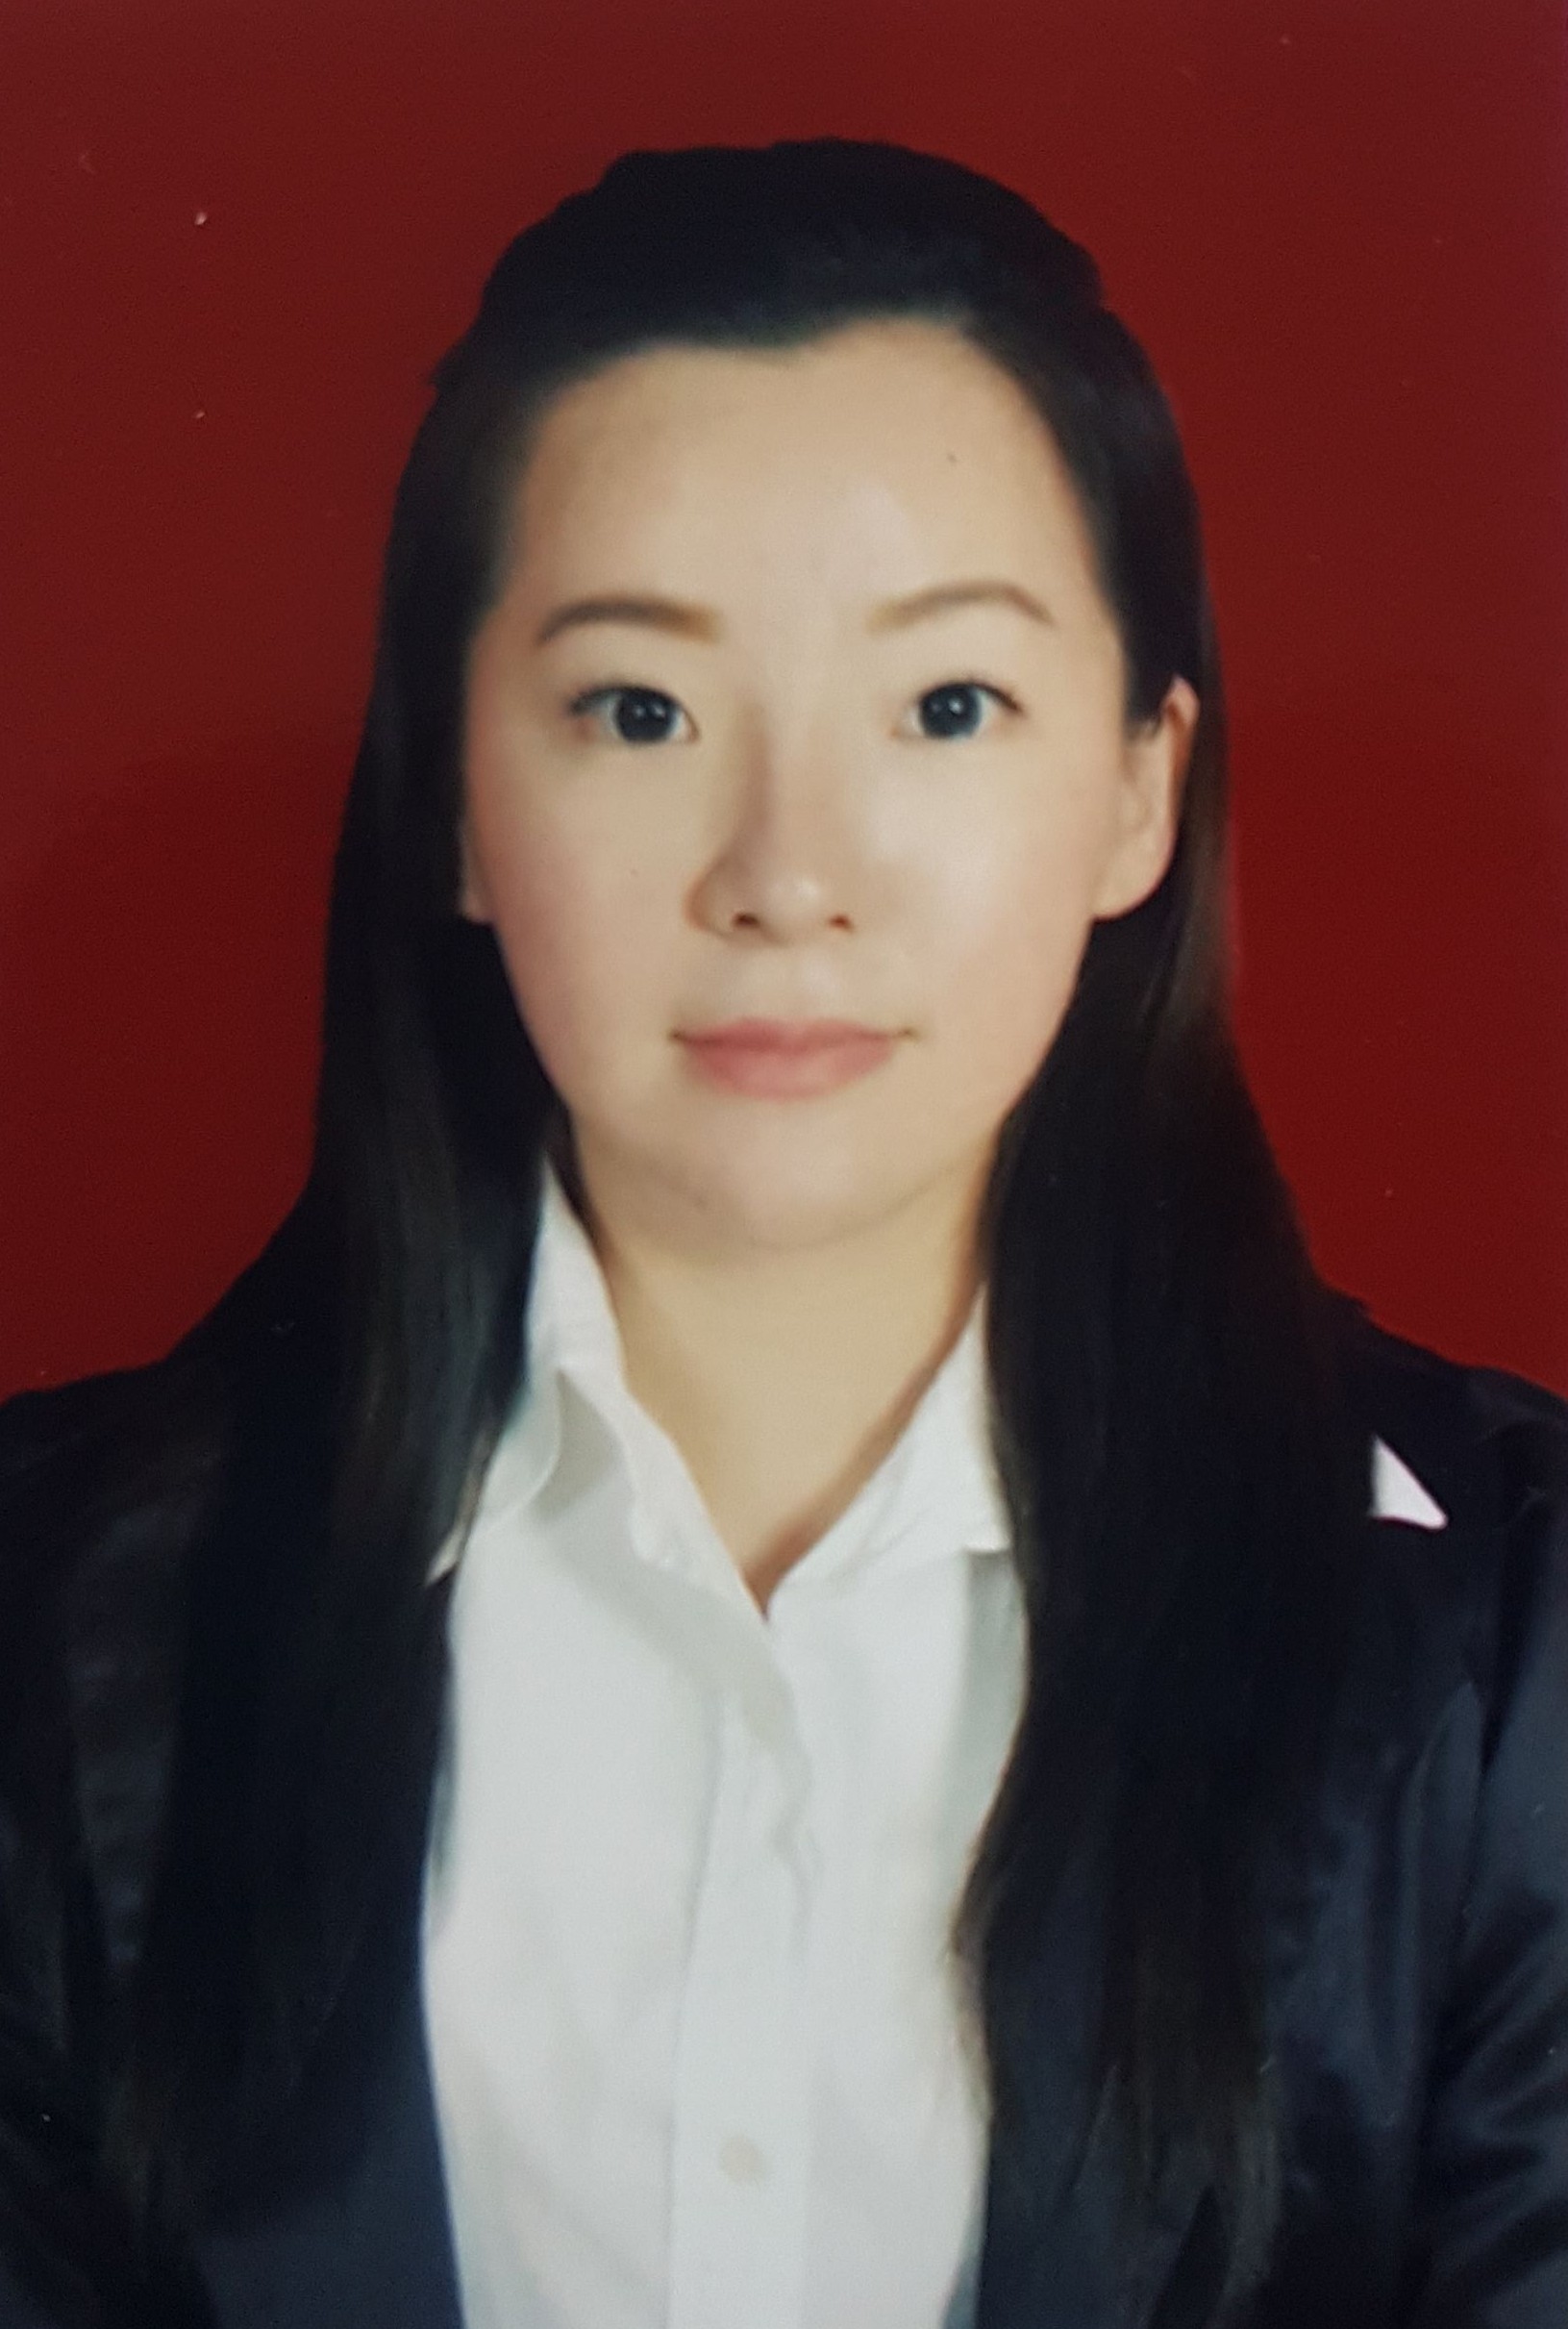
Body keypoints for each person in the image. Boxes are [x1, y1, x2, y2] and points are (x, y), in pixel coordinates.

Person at [1, 138, 1564, 2329]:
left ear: (1140, 788)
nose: (786, 874)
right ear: (455, 803)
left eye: (947, 705)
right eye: (638, 709)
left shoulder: (1509, 1643)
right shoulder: (45, 1611)